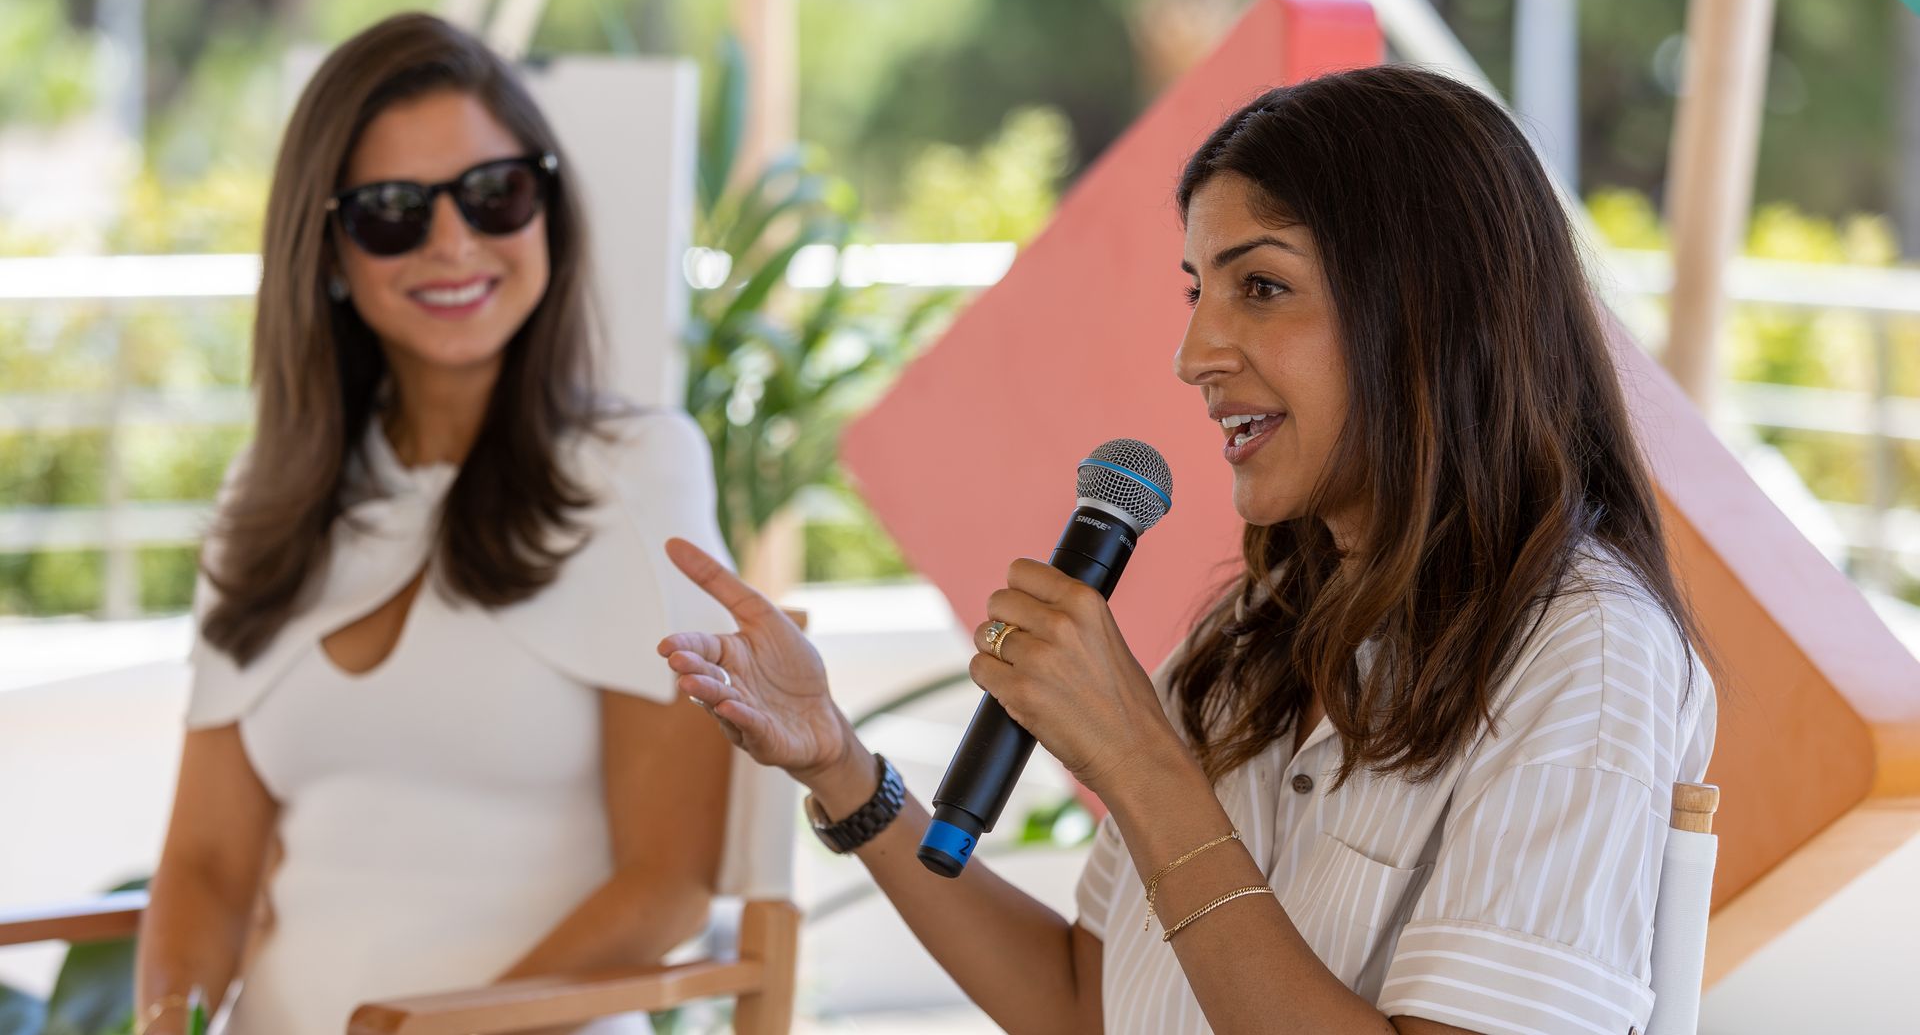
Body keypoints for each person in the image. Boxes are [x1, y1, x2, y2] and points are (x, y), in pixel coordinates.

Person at [659, 66, 1718, 1035]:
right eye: (1195, 290)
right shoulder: (1252, 636)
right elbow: (1088, 1000)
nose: (1193, 355)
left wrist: (1138, 761)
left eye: (1260, 287)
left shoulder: (1588, 652)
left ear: (1432, 309)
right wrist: (841, 765)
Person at [134, 13, 736, 1035]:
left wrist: (445, 1031)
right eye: (392, 213)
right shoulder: (269, 497)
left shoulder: (641, 473)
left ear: (549, 208)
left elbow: (669, 881)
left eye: (496, 194)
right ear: (327, 250)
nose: (454, 243)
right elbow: (205, 867)